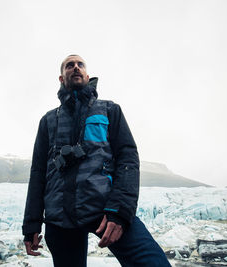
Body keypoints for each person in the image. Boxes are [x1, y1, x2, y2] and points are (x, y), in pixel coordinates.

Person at [22, 55, 171, 267]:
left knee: (153, 263)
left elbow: (127, 159)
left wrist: (119, 212)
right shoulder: (48, 120)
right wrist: (32, 223)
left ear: (87, 75)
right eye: (69, 65)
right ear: (61, 78)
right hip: (60, 218)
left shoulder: (110, 110)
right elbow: (38, 172)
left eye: (80, 64)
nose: (75, 67)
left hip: (104, 209)